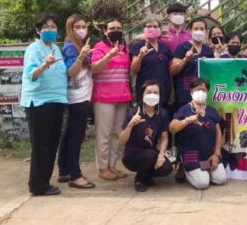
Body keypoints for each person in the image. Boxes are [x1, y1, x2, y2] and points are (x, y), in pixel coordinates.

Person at [20, 13, 68, 196]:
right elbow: (31, 74)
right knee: (41, 145)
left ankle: (44, 182)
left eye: (53, 27)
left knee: (52, 143)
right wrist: (44, 65)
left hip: (57, 100)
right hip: (39, 102)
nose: (50, 30)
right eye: (46, 27)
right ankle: (37, 185)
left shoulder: (55, 48)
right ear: (38, 31)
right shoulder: (33, 49)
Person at [91, 18, 132, 181]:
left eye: (119, 28)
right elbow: (95, 68)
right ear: (105, 31)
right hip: (104, 97)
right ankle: (103, 167)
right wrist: (109, 55)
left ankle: (112, 165)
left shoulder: (124, 47)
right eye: (112, 28)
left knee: (116, 133)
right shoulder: (99, 47)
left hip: (122, 95)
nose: (116, 31)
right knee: (104, 133)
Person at [57, 14, 95, 189]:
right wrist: (81, 57)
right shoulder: (71, 47)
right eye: (77, 27)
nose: (81, 30)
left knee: (68, 134)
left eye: (84, 26)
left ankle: (64, 170)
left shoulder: (78, 45)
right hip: (77, 98)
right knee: (76, 137)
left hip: (80, 96)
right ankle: (75, 175)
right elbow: (71, 72)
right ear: (70, 28)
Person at [169, 78, 227, 189]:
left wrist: (216, 154)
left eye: (204, 90)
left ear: (207, 92)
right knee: (203, 183)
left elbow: (219, 134)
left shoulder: (212, 111)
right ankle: (186, 168)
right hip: (192, 155)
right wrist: (187, 121)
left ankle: (204, 171)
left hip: (209, 154)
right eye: (198, 89)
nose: (201, 92)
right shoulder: (184, 110)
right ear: (191, 92)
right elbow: (172, 128)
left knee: (221, 179)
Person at [120, 80, 173, 192]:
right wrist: (130, 125)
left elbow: (164, 138)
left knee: (167, 168)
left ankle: (146, 176)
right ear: (142, 94)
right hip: (132, 156)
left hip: (151, 153)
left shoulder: (162, 113)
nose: (152, 95)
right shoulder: (133, 113)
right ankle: (140, 180)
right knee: (150, 155)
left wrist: (161, 155)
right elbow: (121, 141)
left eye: (156, 93)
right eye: (149, 92)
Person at [130, 14, 173, 108]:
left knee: (163, 115)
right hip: (146, 90)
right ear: (143, 29)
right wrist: (140, 57)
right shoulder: (138, 46)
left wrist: (172, 91)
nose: (152, 28)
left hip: (164, 90)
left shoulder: (164, 47)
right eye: (149, 26)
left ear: (160, 29)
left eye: (155, 26)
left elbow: (168, 70)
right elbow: (134, 70)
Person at [171, 18, 214, 108]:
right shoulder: (182, 47)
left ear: (206, 31)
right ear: (190, 31)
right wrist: (185, 59)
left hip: (203, 92)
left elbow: (213, 72)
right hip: (185, 92)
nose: (199, 31)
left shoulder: (208, 51)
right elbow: (173, 71)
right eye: (196, 28)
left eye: (201, 29)